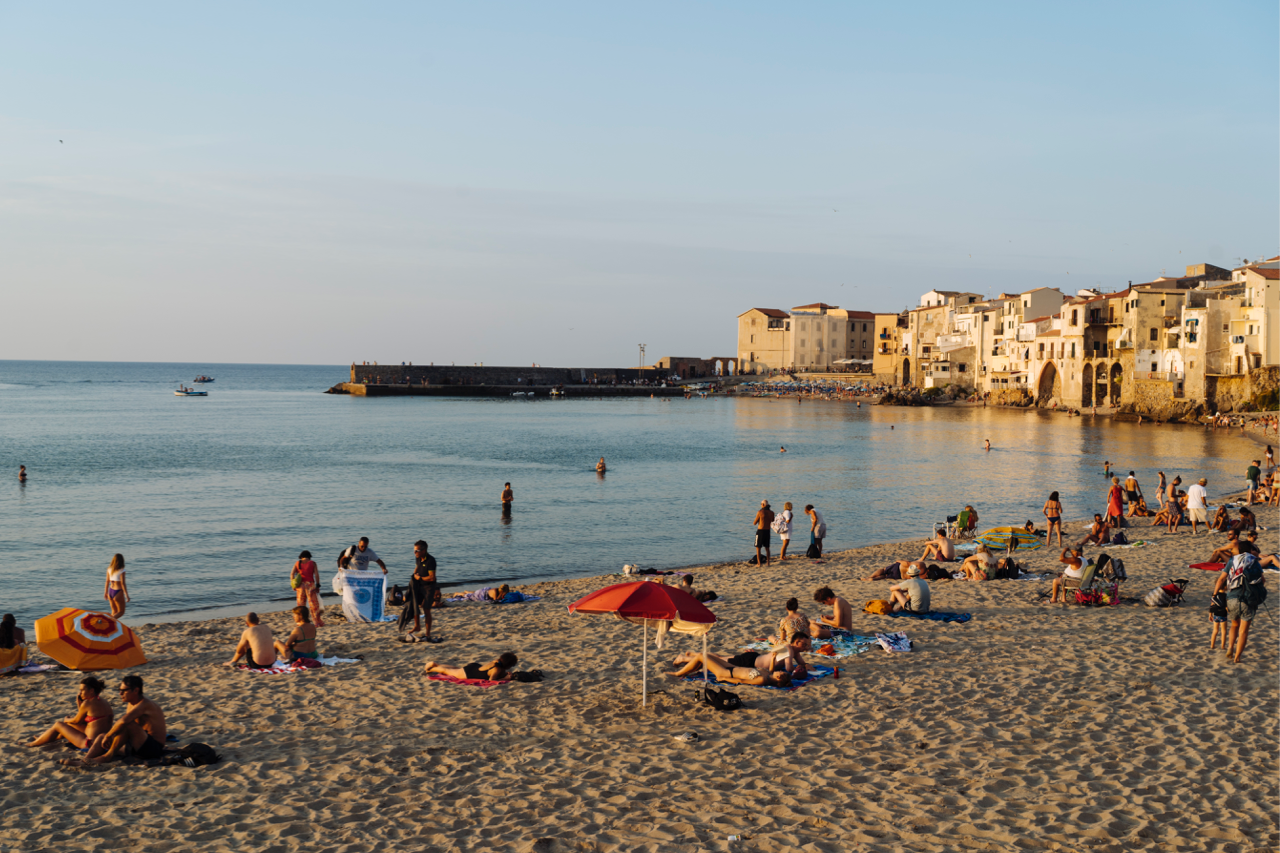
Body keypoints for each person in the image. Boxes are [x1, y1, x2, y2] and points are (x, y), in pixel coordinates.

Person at [75, 675, 167, 765]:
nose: (120, 693)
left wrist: (109, 735)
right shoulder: (131, 704)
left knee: (125, 723)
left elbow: (124, 721)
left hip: (153, 748)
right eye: (119, 690)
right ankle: (84, 761)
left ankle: (108, 756)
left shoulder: (145, 704)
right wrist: (108, 736)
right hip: (137, 744)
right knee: (101, 737)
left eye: (123, 691)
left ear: (136, 690)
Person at [27, 677, 114, 749]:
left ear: (91, 690)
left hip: (89, 743)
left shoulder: (88, 703)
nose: (80, 693)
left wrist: (66, 719)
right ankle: (43, 739)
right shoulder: (104, 701)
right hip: (102, 741)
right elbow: (86, 721)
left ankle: (34, 744)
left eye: (82, 690)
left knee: (58, 724)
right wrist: (79, 704)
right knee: (67, 727)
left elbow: (77, 721)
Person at [1215, 542, 1266, 663]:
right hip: (1248, 599)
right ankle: (1237, 658)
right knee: (1243, 631)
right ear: (1249, 550)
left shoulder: (1233, 560)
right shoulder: (1254, 561)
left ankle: (1230, 647)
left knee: (1234, 625)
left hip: (1232, 598)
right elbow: (1262, 580)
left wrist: (1215, 595)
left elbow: (1221, 579)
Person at [664, 651, 793, 687]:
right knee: (706, 655)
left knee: (700, 657)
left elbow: (742, 682)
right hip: (732, 667)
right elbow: (771, 669)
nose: (780, 670)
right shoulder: (768, 673)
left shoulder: (762, 680)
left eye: (781, 672)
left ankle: (677, 673)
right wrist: (773, 658)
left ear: (779, 677)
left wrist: (723, 678)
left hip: (726, 672)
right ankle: (687, 669)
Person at [400, 540, 439, 642]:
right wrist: (414, 577)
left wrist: (420, 578)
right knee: (413, 604)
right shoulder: (418, 558)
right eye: (414, 550)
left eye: (417, 550)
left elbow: (432, 578)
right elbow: (417, 568)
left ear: (424, 550)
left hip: (429, 588)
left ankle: (428, 634)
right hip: (419, 586)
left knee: (426, 609)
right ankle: (417, 626)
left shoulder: (431, 560)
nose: (415, 552)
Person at [423, 653, 518, 682]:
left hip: (474, 667)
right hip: (469, 673)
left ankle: (437, 664)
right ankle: (432, 668)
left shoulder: (497, 662)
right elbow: (491, 681)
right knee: (447, 671)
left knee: (455, 669)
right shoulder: (497, 669)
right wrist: (504, 678)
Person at [290, 550, 324, 627]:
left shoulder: (297, 563)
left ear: (301, 556)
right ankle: (316, 622)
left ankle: (300, 622)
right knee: (313, 605)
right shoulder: (313, 563)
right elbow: (316, 575)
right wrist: (318, 585)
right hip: (310, 585)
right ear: (309, 556)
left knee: (301, 604)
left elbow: (292, 574)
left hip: (300, 586)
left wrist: (293, 584)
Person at [103, 554, 129, 619]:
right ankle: (108, 622)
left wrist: (105, 592)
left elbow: (107, 581)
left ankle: (111, 626)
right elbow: (123, 583)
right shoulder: (122, 570)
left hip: (110, 591)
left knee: (114, 612)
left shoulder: (109, 569)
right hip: (118, 592)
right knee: (121, 612)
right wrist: (126, 595)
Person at [752, 500, 775, 565]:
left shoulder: (760, 512)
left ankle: (759, 563)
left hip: (760, 531)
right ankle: (768, 562)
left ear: (762, 504)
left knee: (758, 547)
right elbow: (772, 520)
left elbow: (754, 522)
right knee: (767, 548)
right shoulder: (772, 512)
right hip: (767, 531)